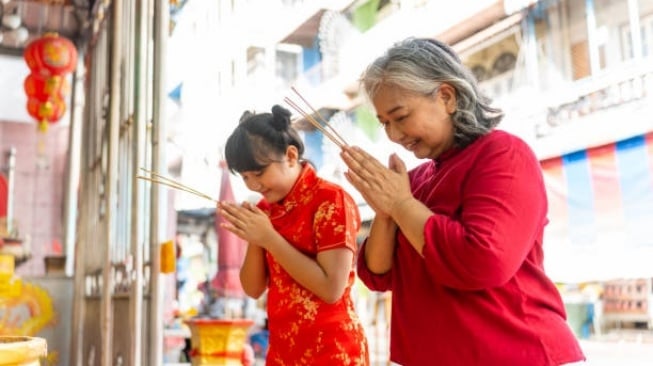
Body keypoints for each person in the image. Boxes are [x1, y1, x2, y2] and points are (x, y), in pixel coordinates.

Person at [339, 37, 586, 366]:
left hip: (517, 353)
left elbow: (484, 261)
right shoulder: (413, 182)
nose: (394, 135)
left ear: (446, 97)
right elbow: (378, 276)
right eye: (385, 123)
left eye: (400, 116)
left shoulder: (503, 154)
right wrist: (386, 212)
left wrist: (401, 206)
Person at [218, 105, 369, 365]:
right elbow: (253, 289)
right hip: (283, 349)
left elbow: (331, 289)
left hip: (332, 350)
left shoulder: (330, 199)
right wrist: (256, 237)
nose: (254, 185)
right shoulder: (265, 209)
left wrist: (269, 239)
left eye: (259, 172)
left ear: (290, 155)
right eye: (245, 177)